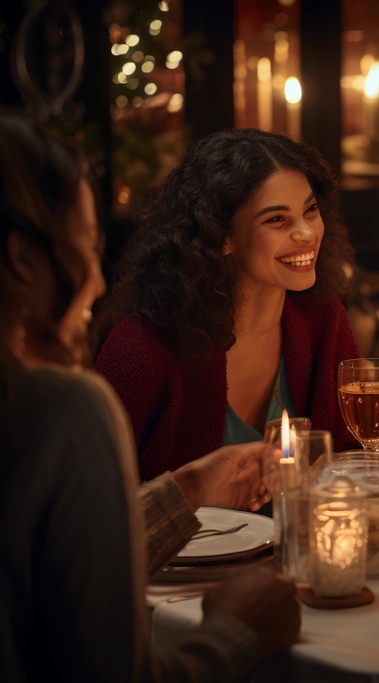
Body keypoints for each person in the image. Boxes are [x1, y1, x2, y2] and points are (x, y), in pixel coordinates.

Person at [0, 112, 299, 681]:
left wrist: (185, 492)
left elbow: (50, 560)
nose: (95, 280)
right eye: (86, 246)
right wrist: (237, 633)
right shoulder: (61, 410)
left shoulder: (312, 317)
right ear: (21, 260)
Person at [95, 129, 360, 481]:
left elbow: (351, 461)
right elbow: (91, 499)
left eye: (310, 210)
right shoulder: (142, 346)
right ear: (220, 236)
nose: (307, 233)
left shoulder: (323, 319)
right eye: (277, 219)